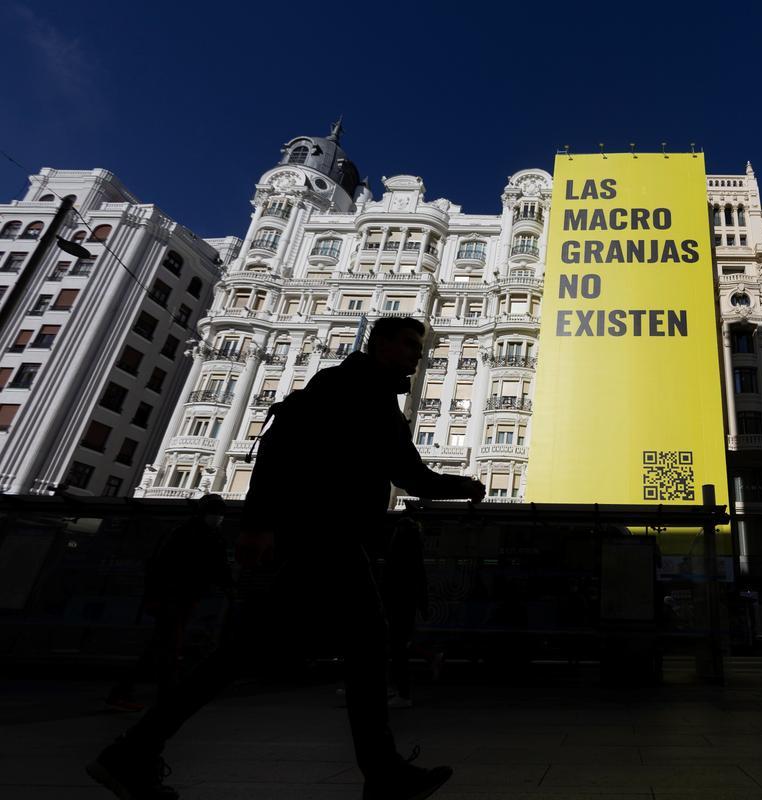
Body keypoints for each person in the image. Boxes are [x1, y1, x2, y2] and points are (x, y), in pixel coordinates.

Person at [87, 316, 486, 800]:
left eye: (417, 349)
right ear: (378, 344)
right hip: (326, 535)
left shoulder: (373, 394)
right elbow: (277, 447)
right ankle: (383, 774)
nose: (415, 355)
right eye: (407, 345)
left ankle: (132, 751)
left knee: (247, 650)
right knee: (365, 641)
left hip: (325, 536)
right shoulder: (347, 386)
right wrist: (256, 524)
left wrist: (461, 486)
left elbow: (411, 475)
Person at [106, 495, 232, 712]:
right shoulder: (195, 535)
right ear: (205, 514)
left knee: (162, 644)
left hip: (178, 597)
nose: (219, 518)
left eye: (221, 515)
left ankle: (134, 691)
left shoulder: (192, 533)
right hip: (175, 598)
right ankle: (163, 695)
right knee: (169, 644)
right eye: (215, 514)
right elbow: (214, 567)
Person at [381, 517, 443, 708]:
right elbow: (420, 581)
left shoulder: (398, 555)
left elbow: (391, 582)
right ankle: (397, 687)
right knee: (397, 646)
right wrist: (423, 606)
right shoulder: (413, 555)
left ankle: (401, 691)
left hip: (397, 606)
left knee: (396, 647)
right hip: (403, 606)